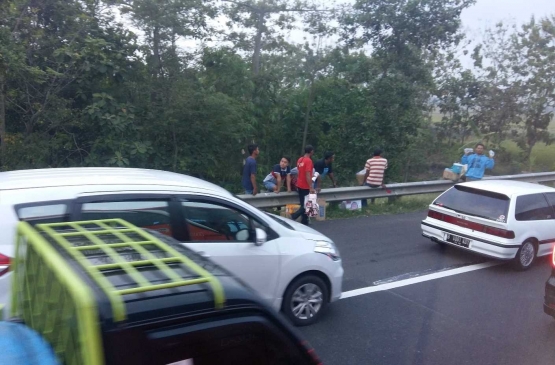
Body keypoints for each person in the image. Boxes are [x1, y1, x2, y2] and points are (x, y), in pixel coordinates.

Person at [291, 145, 315, 226]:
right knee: (306, 205)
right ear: (311, 151)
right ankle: (294, 216)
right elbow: (308, 174)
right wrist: (310, 186)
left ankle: (304, 221)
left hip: (299, 184)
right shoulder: (308, 161)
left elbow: (299, 171)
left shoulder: (300, 159)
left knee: (303, 204)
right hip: (305, 186)